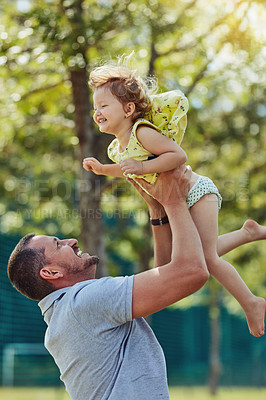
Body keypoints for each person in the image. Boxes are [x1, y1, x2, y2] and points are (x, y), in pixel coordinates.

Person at [83, 61, 266, 338]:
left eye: (104, 106)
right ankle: (246, 233)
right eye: (95, 107)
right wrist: (102, 169)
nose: (97, 113)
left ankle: (251, 302)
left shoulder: (142, 133)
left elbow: (177, 155)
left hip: (196, 192)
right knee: (200, 251)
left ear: (128, 109)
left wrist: (143, 168)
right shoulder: (117, 147)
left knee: (206, 258)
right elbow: (125, 168)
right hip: (172, 201)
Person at [8, 166, 210, 400]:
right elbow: (192, 272)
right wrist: (174, 200)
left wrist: (157, 209)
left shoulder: (67, 312)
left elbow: (165, 279)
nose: (71, 241)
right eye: (58, 244)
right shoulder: (83, 301)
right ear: (51, 272)